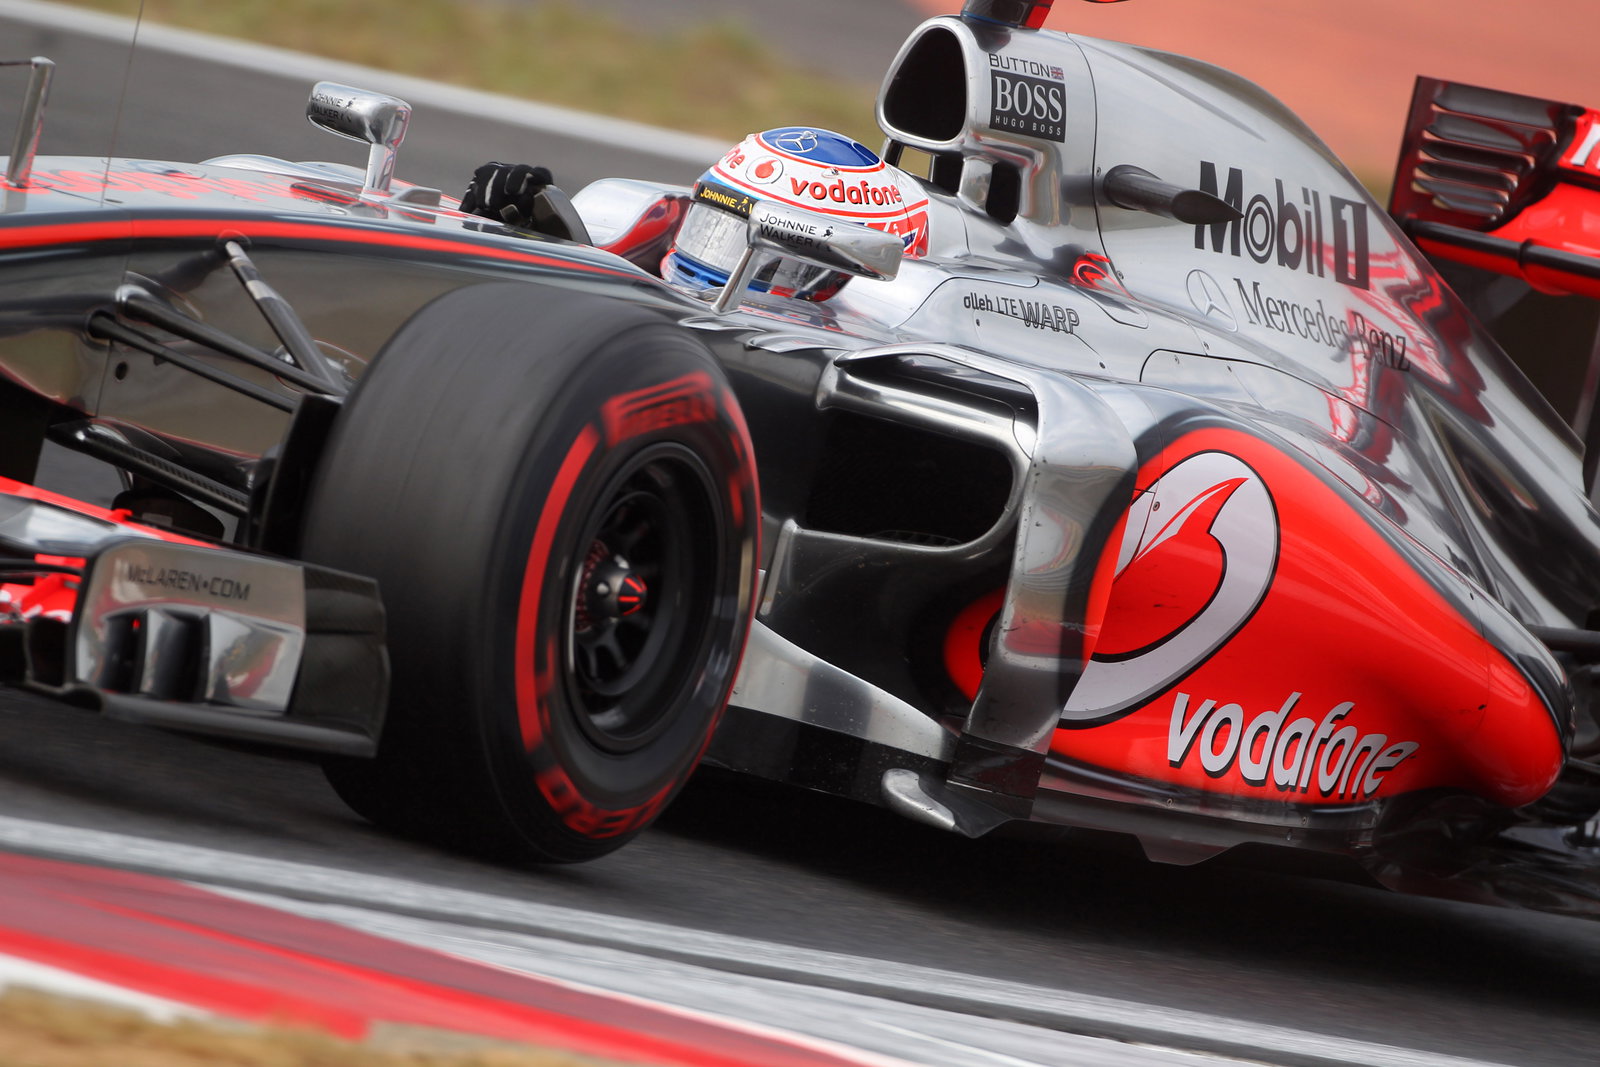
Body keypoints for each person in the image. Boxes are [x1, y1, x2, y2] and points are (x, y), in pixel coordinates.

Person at [460, 127, 928, 301]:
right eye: (714, 228)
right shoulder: (656, 252)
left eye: (769, 254)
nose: (705, 269)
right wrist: (516, 232)